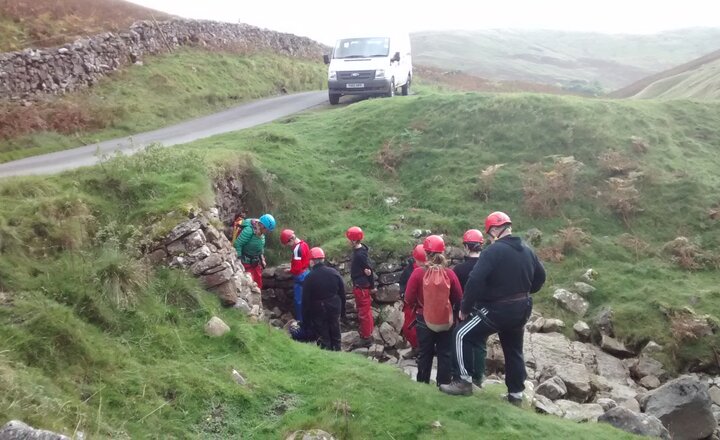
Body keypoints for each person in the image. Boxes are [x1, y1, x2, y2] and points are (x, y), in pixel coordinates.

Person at [440, 212, 546, 407]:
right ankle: (515, 394)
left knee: (460, 334)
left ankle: (463, 381)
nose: (489, 237)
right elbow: (541, 278)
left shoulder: (493, 251)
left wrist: (465, 307)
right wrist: (523, 291)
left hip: (497, 308)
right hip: (522, 307)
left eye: (489, 233)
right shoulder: (527, 249)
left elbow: (475, 279)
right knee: (514, 349)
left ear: (496, 230)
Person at [404, 235, 463, 386]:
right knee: (445, 353)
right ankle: (443, 385)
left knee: (425, 353)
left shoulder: (417, 273)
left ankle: (422, 383)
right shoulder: (449, 273)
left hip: (424, 318)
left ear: (426, 253)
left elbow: (409, 298)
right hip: (445, 320)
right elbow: (458, 297)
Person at [452, 229, 486, 387]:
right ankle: (478, 378)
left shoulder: (459, 269)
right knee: (480, 343)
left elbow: (455, 292)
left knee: (462, 339)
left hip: (463, 310)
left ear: (466, 246)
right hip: (485, 310)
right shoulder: (488, 266)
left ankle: (462, 376)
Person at [301, 247, 346, 351]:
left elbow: (305, 301)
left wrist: (306, 321)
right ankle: (338, 352)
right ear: (323, 259)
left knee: (323, 336)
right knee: (335, 331)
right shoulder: (334, 272)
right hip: (334, 307)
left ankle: (327, 355)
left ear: (312, 262)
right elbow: (342, 293)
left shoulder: (309, 277)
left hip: (318, 310)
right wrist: (343, 311)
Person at [347, 226, 375, 342]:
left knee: (363, 312)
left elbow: (369, 271)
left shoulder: (360, 255)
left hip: (361, 287)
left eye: (350, 239)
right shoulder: (361, 250)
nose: (348, 241)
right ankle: (368, 332)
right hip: (361, 286)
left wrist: (372, 286)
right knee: (365, 311)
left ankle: (366, 337)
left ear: (354, 240)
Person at [234, 213, 276, 289]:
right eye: (266, 229)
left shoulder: (261, 233)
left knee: (258, 283)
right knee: (249, 284)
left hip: (255, 262)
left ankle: (257, 299)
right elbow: (238, 244)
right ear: (262, 225)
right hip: (245, 262)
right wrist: (239, 259)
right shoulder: (249, 231)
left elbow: (260, 246)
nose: (267, 231)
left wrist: (262, 259)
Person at [399, 244, 427, 350]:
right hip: (412, 305)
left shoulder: (432, 270)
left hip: (426, 305)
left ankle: (422, 350)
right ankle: (416, 348)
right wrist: (403, 294)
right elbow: (403, 283)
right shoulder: (409, 269)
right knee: (409, 328)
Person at [280, 229, 311, 322]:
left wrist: (289, 271)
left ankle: (301, 322)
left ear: (291, 240)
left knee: (299, 301)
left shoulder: (297, 250)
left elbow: (297, 268)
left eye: (287, 243)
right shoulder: (304, 244)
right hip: (307, 272)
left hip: (300, 276)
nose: (288, 246)